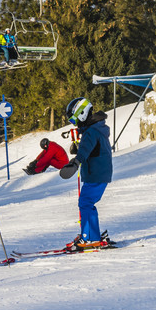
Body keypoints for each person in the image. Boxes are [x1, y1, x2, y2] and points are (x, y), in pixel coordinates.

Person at [62, 97, 113, 250]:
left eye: (74, 119)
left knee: (85, 203)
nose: (74, 122)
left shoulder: (91, 132)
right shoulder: (96, 128)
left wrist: (76, 161)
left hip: (96, 174)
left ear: (82, 114)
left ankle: (90, 237)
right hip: (99, 173)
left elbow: (85, 151)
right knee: (86, 203)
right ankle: (90, 234)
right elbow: (90, 147)